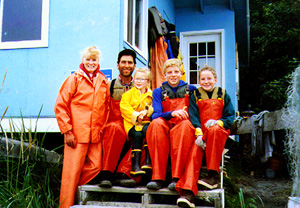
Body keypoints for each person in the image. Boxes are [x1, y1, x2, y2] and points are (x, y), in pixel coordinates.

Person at [54, 46, 110, 208]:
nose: (91, 63)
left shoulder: (103, 80)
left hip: (95, 134)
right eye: (88, 59)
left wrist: (102, 127)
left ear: (98, 61)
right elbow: (60, 105)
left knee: (96, 166)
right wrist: (67, 131)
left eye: (94, 60)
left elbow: (105, 108)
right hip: (76, 134)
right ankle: (65, 205)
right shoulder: (74, 79)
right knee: (71, 172)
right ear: (82, 60)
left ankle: (71, 189)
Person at [175, 65, 235, 208]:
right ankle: (188, 194)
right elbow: (193, 115)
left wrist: (219, 122)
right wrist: (199, 133)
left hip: (218, 132)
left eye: (209, 78)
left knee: (214, 130)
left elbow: (230, 116)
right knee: (194, 154)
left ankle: (212, 175)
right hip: (202, 134)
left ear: (215, 79)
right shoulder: (195, 95)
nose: (206, 81)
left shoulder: (223, 93)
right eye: (202, 79)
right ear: (199, 80)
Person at [146, 58, 197, 191]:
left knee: (185, 125)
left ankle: (177, 178)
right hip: (165, 128)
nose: (173, 74)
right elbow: (155, 115)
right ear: (165, 74)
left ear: (181, 73)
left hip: (183, 129)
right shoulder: (158, 91)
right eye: (169, 72)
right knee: (156, 124)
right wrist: (172, 113)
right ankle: (157, 177)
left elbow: (196, 113)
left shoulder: (191, 89)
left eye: (176, 71)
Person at [99, 49, 137, 188]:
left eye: (130, 63)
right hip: (115, 123)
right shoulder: (110, 85)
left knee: (146, 135)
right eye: (123, 62)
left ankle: (125, 174)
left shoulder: (141, 85)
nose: (126, 65)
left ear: (134, 66)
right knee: (114, 129)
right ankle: (106, 174)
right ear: (117, 65)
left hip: (134, 123)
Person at [120, 68, 153, 176]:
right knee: (138, 135)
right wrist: (136, 115)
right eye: (136, 78)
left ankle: (148, 161)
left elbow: (154, 107)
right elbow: (124, 108)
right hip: (131, 123)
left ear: (148, 82)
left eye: (142, 79)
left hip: (145, 123)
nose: (138, 81)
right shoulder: (128, 94)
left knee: (149, 130)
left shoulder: (151, 95)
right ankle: (135, 166)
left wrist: (147, 111)